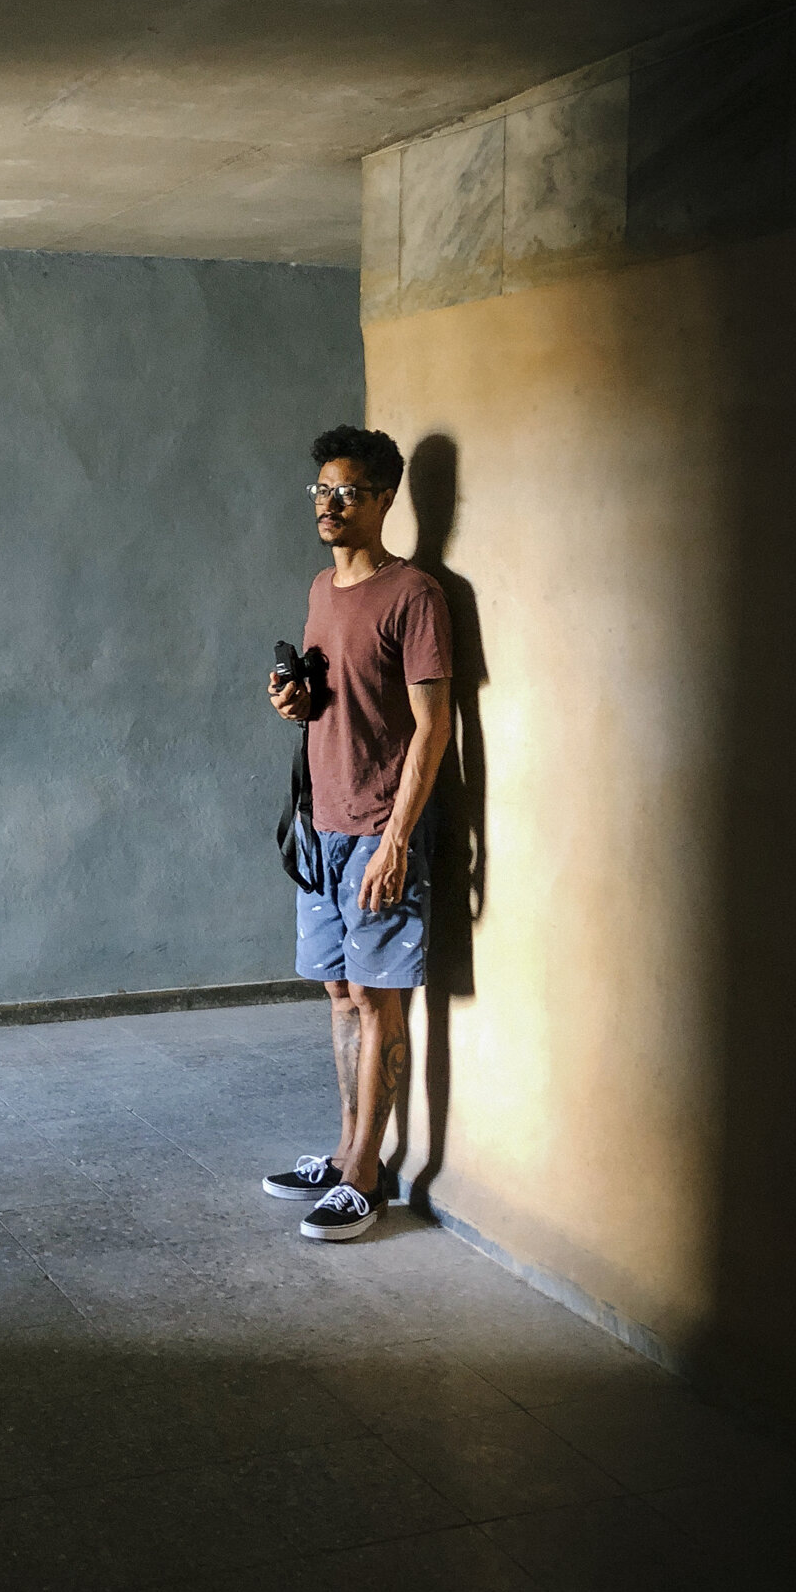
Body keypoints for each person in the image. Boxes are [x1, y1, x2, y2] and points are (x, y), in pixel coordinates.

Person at [262, 428, 451, 1241]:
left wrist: (397, 839)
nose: (328, 504)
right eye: (320, 491)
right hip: (322, 827)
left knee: (378, 1002)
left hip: (380, 831)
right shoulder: (319, 588)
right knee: (340, 995)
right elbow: (329, 701)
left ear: (384, 500)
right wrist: (294, 703)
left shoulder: (415, 595)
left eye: (345, 492)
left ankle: (369, 1176)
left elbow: (432, 727)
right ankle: (343, 1152)